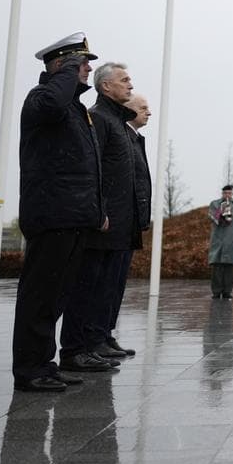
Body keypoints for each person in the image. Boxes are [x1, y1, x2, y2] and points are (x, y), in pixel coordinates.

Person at [11, 32, 103, 392]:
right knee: (39, 297)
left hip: (73, 216)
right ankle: (30, 368)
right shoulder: (42, 99)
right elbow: (51, 102)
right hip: (52, 215)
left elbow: (88, 167)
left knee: (55, 298)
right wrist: (64, 73)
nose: (87, 69)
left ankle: (43, 363)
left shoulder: (74, 108)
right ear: (60, 66)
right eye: (81, 64)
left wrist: (96, 211)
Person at [60, 62, 136, 370]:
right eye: (124, 80)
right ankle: (75, 349)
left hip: (118, 223)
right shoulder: (100, 119)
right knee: (86, 287)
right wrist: (99, 210)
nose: (130, 85)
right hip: (102, 222)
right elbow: (95, 170)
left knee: (104, 287)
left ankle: (95, 341)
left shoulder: (116, 121)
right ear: (105, 87)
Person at [104, 93, 151, 357]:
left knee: (116, 284)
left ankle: (104, 333)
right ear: (127, 110)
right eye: (143, 107)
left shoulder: (132, 137)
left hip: (129, 222)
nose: (149, 112)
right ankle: (95, 336)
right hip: (116, 221)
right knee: (105, 284)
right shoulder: (120, 134)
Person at [208, 185, 233, 298]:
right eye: (225, 193)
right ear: (222, 193)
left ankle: (227, 292)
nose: (227, 195)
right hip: (218, 238)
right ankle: (216, 292)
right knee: (217, 266)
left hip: (232, 238)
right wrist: (221, 211)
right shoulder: (214, 204)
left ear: (232, 194)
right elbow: (211, 217)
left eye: (229, 193)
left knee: (229, 267)